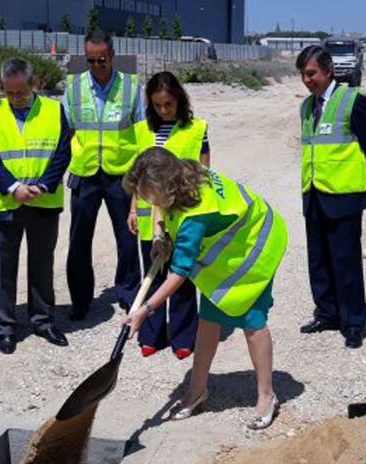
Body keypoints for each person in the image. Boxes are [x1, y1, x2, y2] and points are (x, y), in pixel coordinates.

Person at [123, 147, 288, 430]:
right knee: (209, 319)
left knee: (253, 322)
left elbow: (179, 274)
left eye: (149, 194)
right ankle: (197, 391)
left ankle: (266, 395)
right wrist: (162, 235)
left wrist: (146, 310)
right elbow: (164, 207)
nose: (147, 201)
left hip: (255, 249)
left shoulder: (194, 218)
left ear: (167, 185)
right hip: (229, 253)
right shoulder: (184, 172)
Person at [0, 58, 72, 354]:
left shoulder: (54, 110)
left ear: (34, 84)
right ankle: (6, 326)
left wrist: (43, 185)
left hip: (43, 200)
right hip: (6, 201)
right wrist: (14, 187)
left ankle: (43, 321)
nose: (16, 99)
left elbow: (62, 152)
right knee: (4, 267)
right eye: (9, 93)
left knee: (42, 264)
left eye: (21, 92)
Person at [294, 45, 366, 349]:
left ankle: (354, 321)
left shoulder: (354, 101)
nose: (306, 80)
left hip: (344, 197)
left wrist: (357, 181)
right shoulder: (307, 107)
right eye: (303, 74)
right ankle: (327, 312)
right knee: (318, 260)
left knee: (345, 261)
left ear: (328, 71)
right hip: (314, 194)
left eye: (311, 73)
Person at [64, 30, 146, 321]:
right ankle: (81, 300)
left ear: (112, 56)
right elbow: (68, 130)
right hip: (86, 174)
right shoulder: (74, 87)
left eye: (101, 60)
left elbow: (141, 135)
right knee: (79, 240)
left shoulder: (131, 87)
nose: (96, 66)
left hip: (120, 175)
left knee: (126, 237)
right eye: (90, 61)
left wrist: (140, 181)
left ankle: (128, 293)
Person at [127, 71, 208, 360]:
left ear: (179, 100)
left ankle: (184, 335)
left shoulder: (197, 129)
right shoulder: (141, 130)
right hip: (150, 218)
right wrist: (134, 209)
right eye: (158, 105)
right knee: (152, 274)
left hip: (182, 217)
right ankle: (152, 333)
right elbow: (136, 176)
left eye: (169, 104)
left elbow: (204, 176)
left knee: (181, 275)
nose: (164, 110)